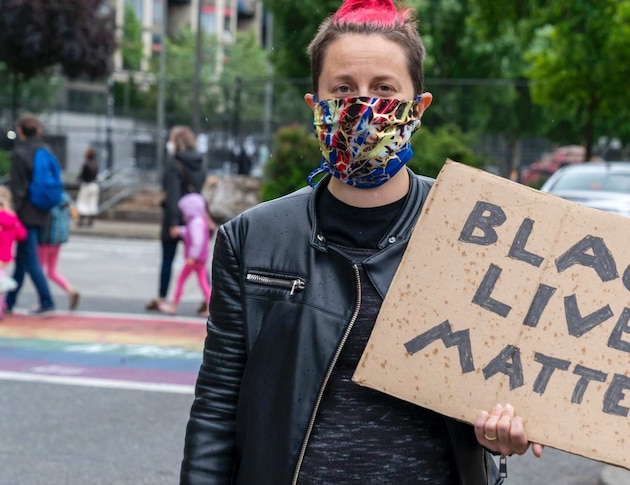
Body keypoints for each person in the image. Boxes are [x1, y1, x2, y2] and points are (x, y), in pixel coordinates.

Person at [180, 1, 542, 483]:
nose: (363, 107)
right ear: (315, 107)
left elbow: (511, 378)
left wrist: (509, 421)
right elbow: (218, 405)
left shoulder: (473, 230)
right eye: (343, 89)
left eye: (385, 89)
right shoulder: (251, 238)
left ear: (419, 108)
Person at [145, 125, 206, 314]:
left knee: (168, 259)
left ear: (176, 142)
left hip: (176, 217)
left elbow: (172, 194)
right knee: (199, 262)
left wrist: (173, 222)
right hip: (195, 217)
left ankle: (162, 297)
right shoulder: (200, 162)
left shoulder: (174, 163)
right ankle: (210, 297)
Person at [6, 114, 56, 314]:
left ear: (20, 132)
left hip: (25, 212)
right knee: (22, 259)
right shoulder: (46, 150)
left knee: (31, 259)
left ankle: (46, 301)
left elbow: (17, 188)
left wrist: (12, 212)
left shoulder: (20, 153)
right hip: (43, 210)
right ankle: (9, 301)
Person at [158, 193, 211, 317]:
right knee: (203, 283)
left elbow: (196, 241)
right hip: (201, 259)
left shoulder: (195, 222)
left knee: (181, 280)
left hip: (194, 259)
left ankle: (173, 306)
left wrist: (192, 256)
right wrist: (181, 231)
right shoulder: (198, 221)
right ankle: (210, 307)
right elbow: (191, 233)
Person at [38, 192, 80, 310]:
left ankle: (45, 300)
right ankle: (70, 290)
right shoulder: (65, 197)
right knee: (52, 272)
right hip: (58, 240)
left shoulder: (48, 197)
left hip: (45, 239)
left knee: (38, 273)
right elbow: (74, 212)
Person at [0, 186, 27, 318]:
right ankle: (3, 304)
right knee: (1, 280)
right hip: (6, 256)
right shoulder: (12, 218)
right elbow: (22, 235)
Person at [76, 147, 99, 227]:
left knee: (83, 202)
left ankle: (81, 221)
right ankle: (90, 221)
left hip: (86, 185)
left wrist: (78, 179)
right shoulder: (96, 164)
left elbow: (81, 175)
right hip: (94, 185)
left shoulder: (85, 164)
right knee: (92, 203)